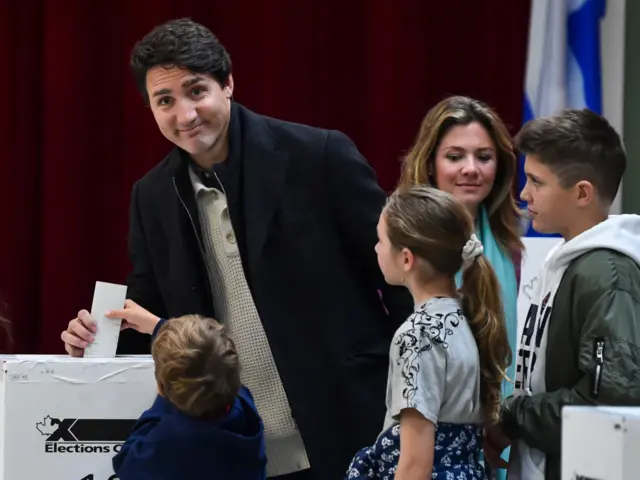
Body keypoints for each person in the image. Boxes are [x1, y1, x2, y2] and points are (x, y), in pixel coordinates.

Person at [60, 18, 412, 480]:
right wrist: (92, 336)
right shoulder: (152, 196)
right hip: (234, 446)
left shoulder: (318, 156)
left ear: (227, 84)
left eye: (196, 91)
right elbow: (148, 314)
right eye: (165, 101)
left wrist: (412, 397)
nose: (185, 115)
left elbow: (406, 280)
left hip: (349, 429)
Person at [485, 108, 640, 480]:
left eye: (537, 182)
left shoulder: (606, 273)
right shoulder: (568, 260)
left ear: (582, 192)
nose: (524, 194)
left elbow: (609, 399)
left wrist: (513, 416)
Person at [345, 185, 511, 479]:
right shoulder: (469, 315)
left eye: (380, 240)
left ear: (406, 258)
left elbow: (414, 465)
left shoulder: (417, 335)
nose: (375, 248)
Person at [399, 96, 523, 478]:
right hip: (421, 440)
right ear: (431, 163)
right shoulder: (397, 242)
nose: (471, 169)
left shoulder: (511, 247)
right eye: (455, 156)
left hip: (498, 437)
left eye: (483, 157)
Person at [112, 305, 266, 480]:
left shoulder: (165, 438)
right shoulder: (244, 408)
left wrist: (163, 399)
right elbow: (207, 360)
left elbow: (125, 463)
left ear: (162, 388)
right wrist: (159, 327)